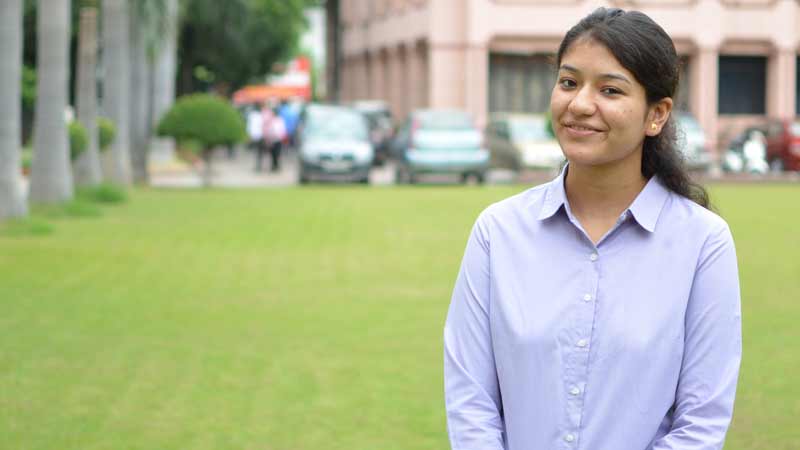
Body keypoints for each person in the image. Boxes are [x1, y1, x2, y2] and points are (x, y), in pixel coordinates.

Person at [444, 8, 741, 450]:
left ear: (657, 115)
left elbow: (701, 423)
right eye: (568, 82)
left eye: (610, 90)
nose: (580, 104)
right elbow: (471, 402)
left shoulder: (703, 243)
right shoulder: (498, 232)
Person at [261, 100, 287, 172]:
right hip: (272, 139)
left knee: (277, 153)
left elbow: (282, 130)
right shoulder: (271, 120)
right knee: (273, 153)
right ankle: (274, 165)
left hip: (277, 139)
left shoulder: (279, 120)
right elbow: (267, 129)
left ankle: (276, 165)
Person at [246, 104, 264, 170]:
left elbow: (249, 126)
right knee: (259, 152)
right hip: (260, 135)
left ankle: (258, 165)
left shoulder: (252, 115)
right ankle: (259, 165)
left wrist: (249, 135)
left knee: (257, 151)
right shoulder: (261, 115)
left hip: (255, 135)